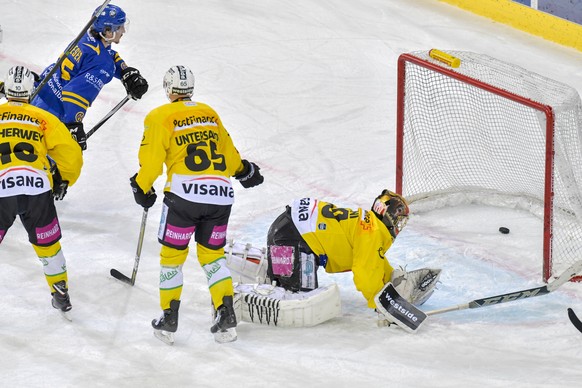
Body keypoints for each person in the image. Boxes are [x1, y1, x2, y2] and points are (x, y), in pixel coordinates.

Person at [129, 65, 264, 344]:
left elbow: (152, 160)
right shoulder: (209, 113)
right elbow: (227, 152)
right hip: (219, 197)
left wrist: (141, 186)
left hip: (183, 199)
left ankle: (169, 318)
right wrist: (244, 171)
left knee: (172, 259)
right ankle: (225, 315)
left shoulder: (159, 116)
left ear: (168, 89)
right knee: (213, 257)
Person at [228, 190, 441, 328]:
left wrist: (391, 279)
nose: (399, 226)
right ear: (390, 217)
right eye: (399, 220)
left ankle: (261, 267)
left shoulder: (368, 225)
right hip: (293, 239)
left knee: (287, 277)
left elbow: (375, 262)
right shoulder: (373, 232)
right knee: (299, 297)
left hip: (287, 232)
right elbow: (365, 271)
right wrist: (382, 304)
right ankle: (240, 298)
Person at [0, 66, 83, 316]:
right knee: (47, 245)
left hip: (2, 187)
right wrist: (63, 180)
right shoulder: (43, 118)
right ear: (30, 90)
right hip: (36, 187)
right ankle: (60, 292)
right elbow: (71, 155)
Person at [31, 4, 148, 151]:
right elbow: (75, 94)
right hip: (53, 116)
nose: (123, 30)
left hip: (39, 96)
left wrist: (125, 71)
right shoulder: (103, 65)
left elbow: (104, 54)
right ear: (107, 31)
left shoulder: (86, 37)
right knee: (39, 161)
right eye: (119, 27)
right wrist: (73, 126)